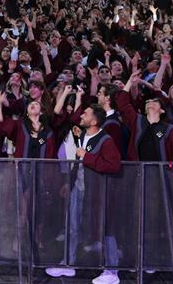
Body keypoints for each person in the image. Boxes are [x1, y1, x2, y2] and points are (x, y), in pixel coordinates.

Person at [46, 104, 122, 284]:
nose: (82, 115)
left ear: (94, 121)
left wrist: (86, 157)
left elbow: (113, 165)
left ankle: (112, 272)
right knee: (71, 226)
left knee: (105, 229)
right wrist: (70, 183)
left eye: (86, 113)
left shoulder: (106, 140)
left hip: (97, 192)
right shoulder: (82, 137)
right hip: (78, 188)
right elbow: (78, 163)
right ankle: (68, 263)